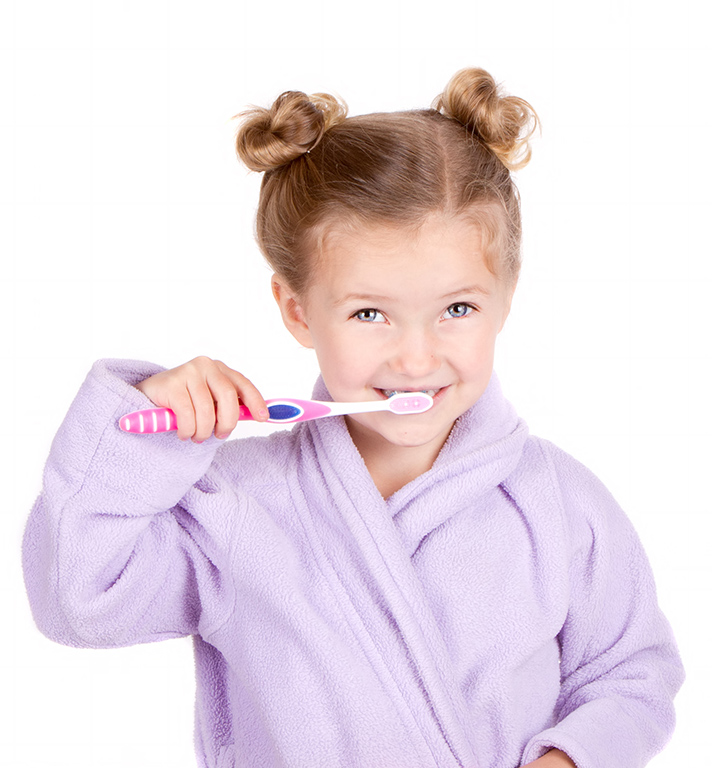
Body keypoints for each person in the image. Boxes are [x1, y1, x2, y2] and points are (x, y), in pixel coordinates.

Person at [22, 68, 683, 768]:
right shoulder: (232, 505)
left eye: (457, 309)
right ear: (298, 311)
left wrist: (571, 758)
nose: (416, 357)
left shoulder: (560, 504)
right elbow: (78, 602)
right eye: (370, 314)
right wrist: (143, 435)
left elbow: (632, 674)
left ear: (505, 297)